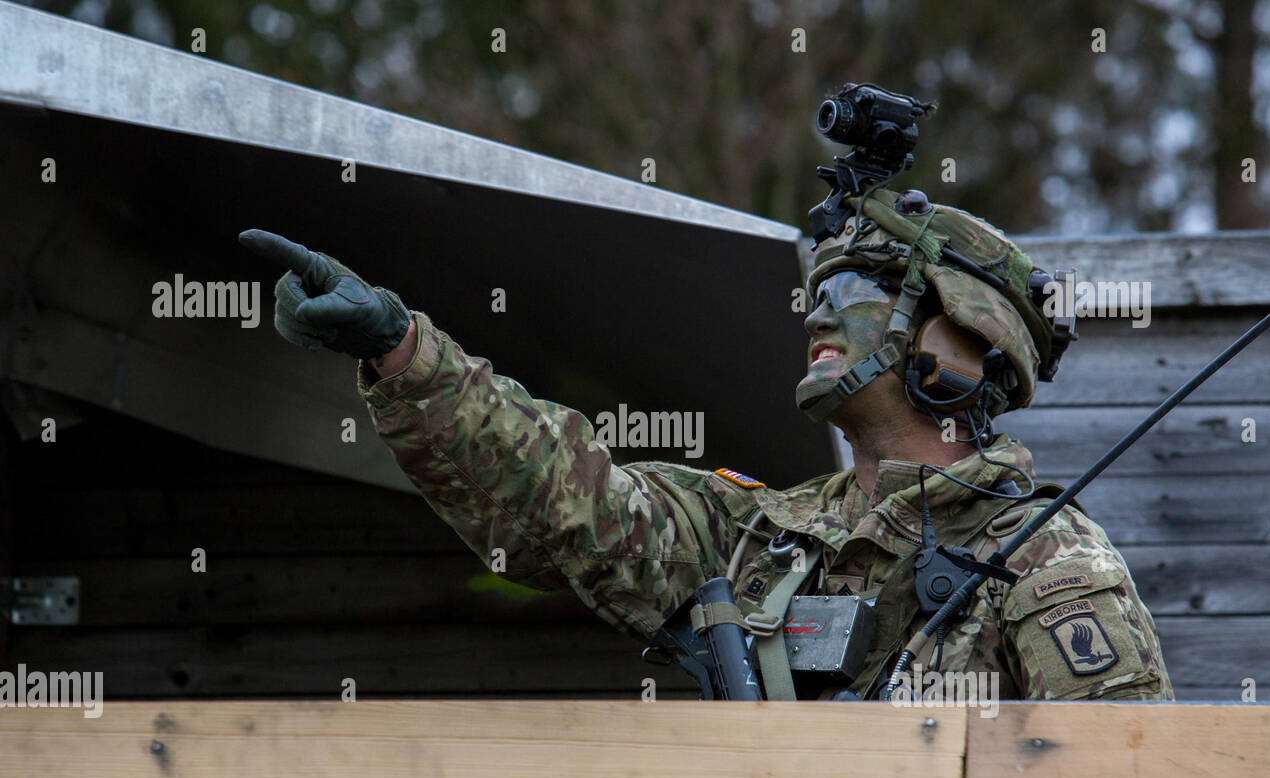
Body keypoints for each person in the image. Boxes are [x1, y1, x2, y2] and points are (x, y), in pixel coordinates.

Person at [238, 185, 1173, 703]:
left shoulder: (1051, 564)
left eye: (857, 295)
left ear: (956, 345)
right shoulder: (754, 539)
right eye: (817, 292)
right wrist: (401, 349)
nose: (819, 317)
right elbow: (563, 495)